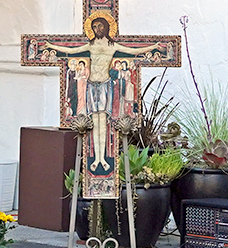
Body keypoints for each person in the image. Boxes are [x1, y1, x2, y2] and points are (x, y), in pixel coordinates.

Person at [43, 16, 160, 171]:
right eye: (95, 27)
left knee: (103, 121)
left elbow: (133, 51)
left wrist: (153, 47)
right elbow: (71, 50)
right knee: (94, 122)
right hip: (91, 85)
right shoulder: (90, 45)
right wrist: (51, 45)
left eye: (100, 26)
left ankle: (102, 158)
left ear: (106, 27)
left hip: (105, 85)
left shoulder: (113, 46)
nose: (97, 29)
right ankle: (96, 158)